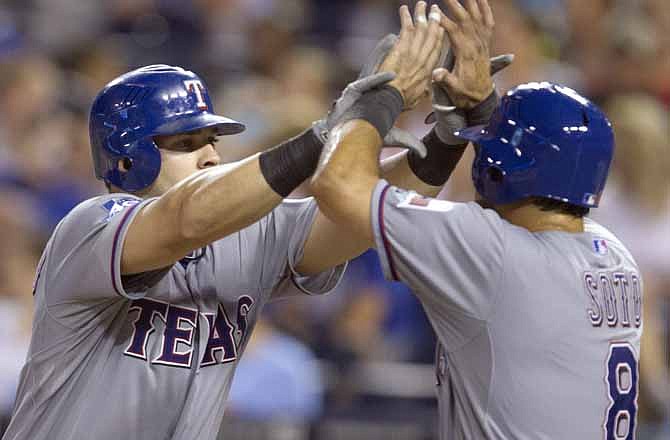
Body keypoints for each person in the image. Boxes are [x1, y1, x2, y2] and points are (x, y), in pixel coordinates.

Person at [2, 3, 450, 439]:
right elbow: (186, 219)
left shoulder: (247, 231)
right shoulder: (90, 227)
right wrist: (329, 132)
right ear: (126, 160)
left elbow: (362, 211)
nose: (212, 154)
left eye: (212, 139)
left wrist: (450, 134)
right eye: (186, 142)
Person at [312, 0, 642, 439]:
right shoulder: (614, 253)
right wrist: (484, 107)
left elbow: (338, 186)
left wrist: (380, 99)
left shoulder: (490, 251)